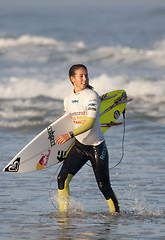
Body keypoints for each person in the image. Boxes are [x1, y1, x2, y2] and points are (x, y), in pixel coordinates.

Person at [55, 64, 120, 213]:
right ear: (72, 79)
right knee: (62, 179)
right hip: (79, 146)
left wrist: (69, 135)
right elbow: (69, 122)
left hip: (97, 147)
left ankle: (116, 214)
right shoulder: (68, 99)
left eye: (86, 75)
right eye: (81, 76)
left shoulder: (91, 96)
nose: (84, 79)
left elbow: (89, 123)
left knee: (104, 186)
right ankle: (63, 215)